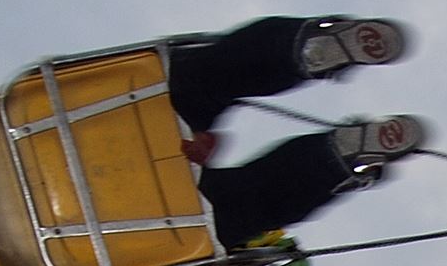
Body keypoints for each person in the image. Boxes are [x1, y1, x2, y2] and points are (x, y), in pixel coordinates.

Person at [160, 17, 429, 250]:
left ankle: (306, 51)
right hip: (164, 222)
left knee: (193, 85)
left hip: (154, 203)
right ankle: (335, 158)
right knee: (243, 207)